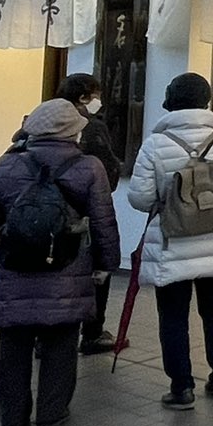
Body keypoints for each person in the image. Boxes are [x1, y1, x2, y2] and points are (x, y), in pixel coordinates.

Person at [0, 98, 118, 426]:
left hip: (14, 267)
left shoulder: (8, 163)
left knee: (13, 346)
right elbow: (103, 222)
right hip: (67, 268)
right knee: (61, 344)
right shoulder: (89, 167)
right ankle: (52, 414)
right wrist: (106, 263)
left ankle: (12, 420)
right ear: (73, 133)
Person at [128, 73, 213, 409]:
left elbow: (140, 197)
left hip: (173, 242)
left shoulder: (155, 144)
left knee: (174, 316)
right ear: (205, 100)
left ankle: (181, 388)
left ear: (171, 100)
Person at [58, 74, 125, 356]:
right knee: (98, 272)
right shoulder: (92, 127)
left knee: (52, 272)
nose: (99, 100)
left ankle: (45, 334)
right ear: (84, 97)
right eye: (96, 95)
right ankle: (93, 333)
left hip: (46, 216)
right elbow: (108, 170)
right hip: (86, 214)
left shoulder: (40, 121)